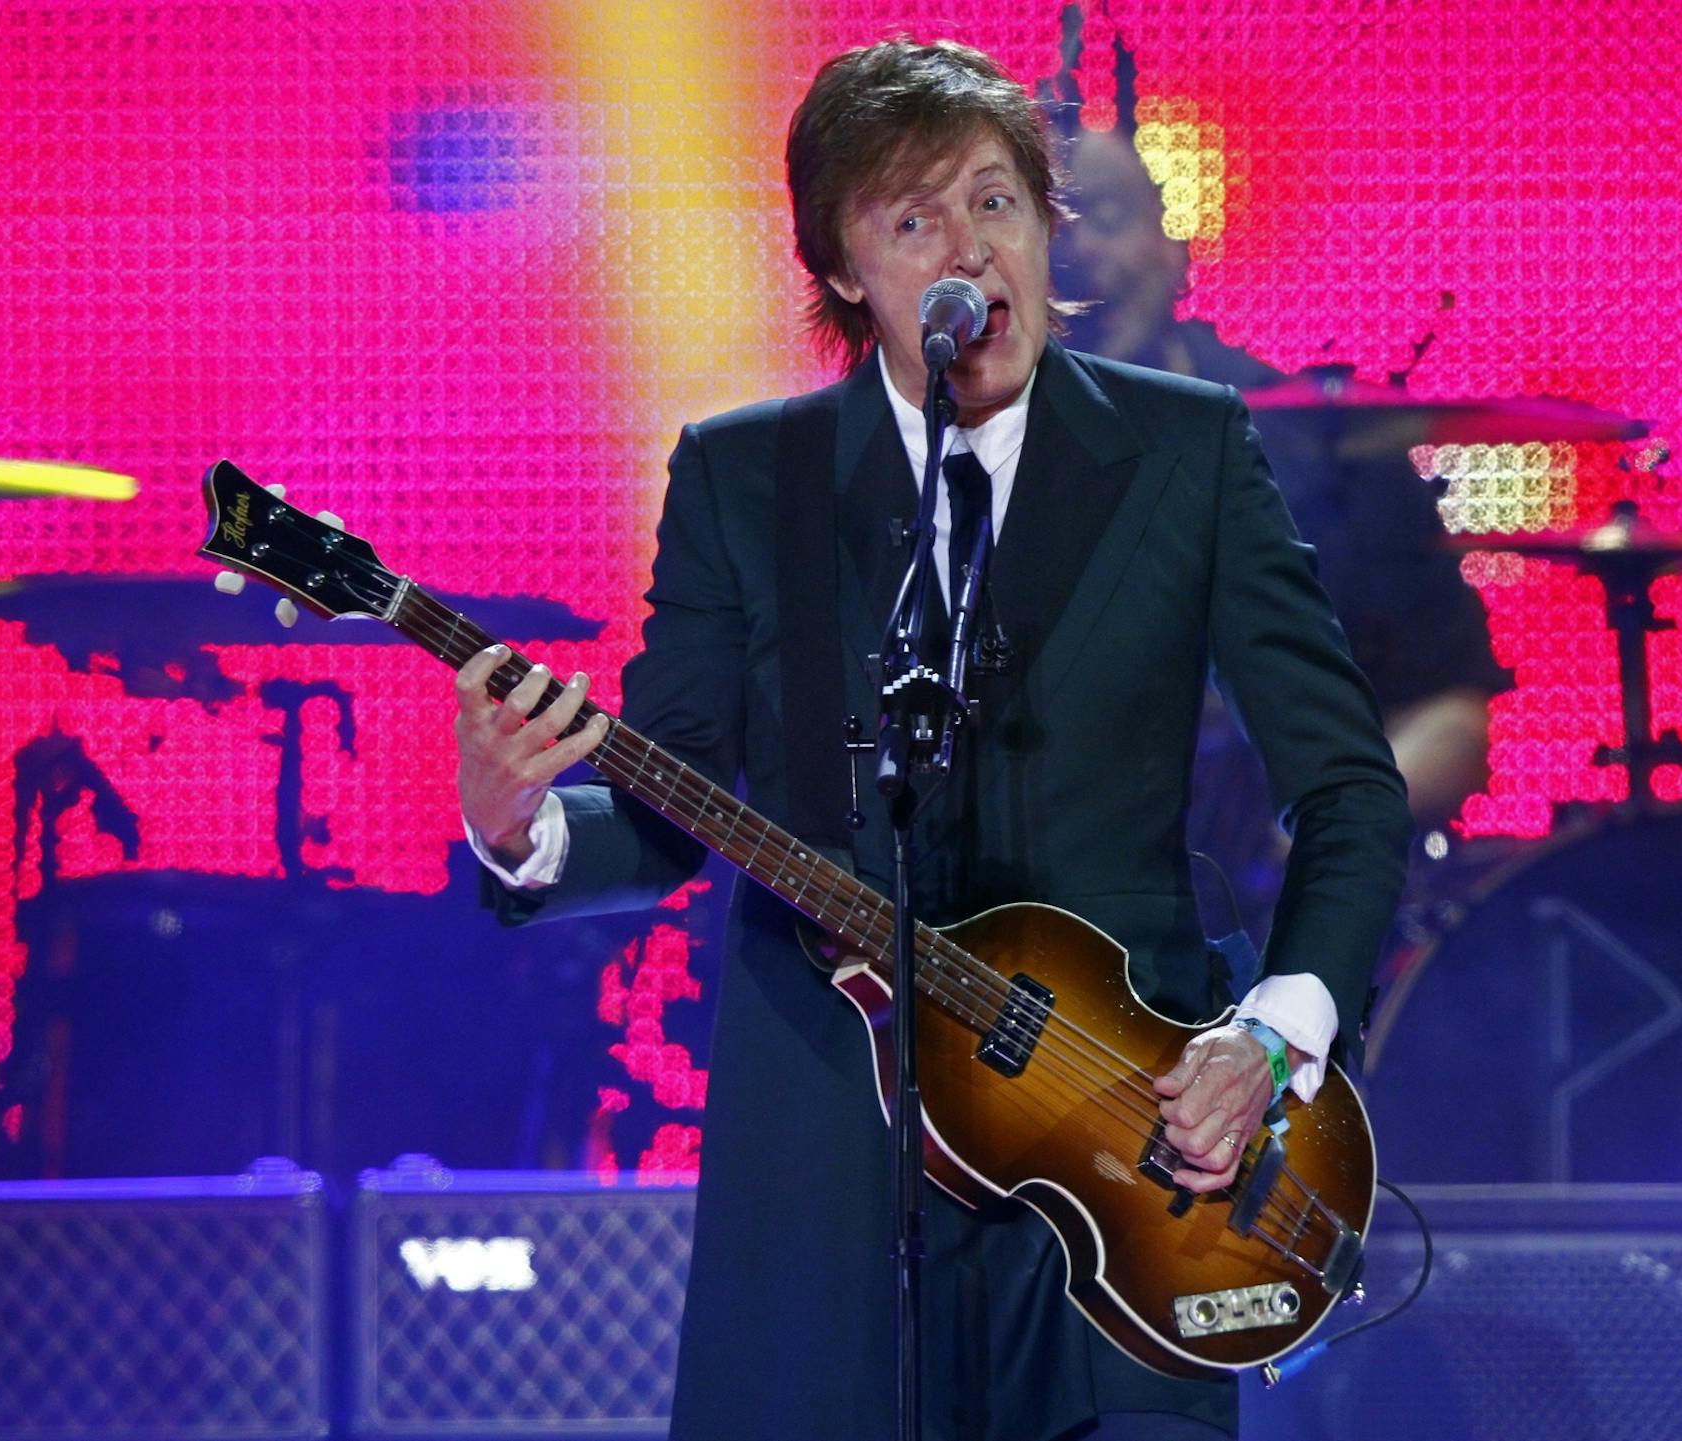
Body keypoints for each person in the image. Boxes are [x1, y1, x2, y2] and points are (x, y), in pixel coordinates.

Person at [452, 39, 1410, 1441]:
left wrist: (1271, 1033)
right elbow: (670, 804)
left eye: (997, 202)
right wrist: (517, 825)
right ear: (846, 272)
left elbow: (1346, 789)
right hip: (832, 1146)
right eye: (916, 221)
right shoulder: (746, 479)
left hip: (1121, 1139)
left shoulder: (1187, 451)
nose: (974, 250)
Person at [1056, 123, 1512, 941]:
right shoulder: (958, 466)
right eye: (1048, 223)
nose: (1078, 250)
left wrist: (1327, 830)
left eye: (1106, 215)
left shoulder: (1323, 445)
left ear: (1174, 247)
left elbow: (1453, 711)